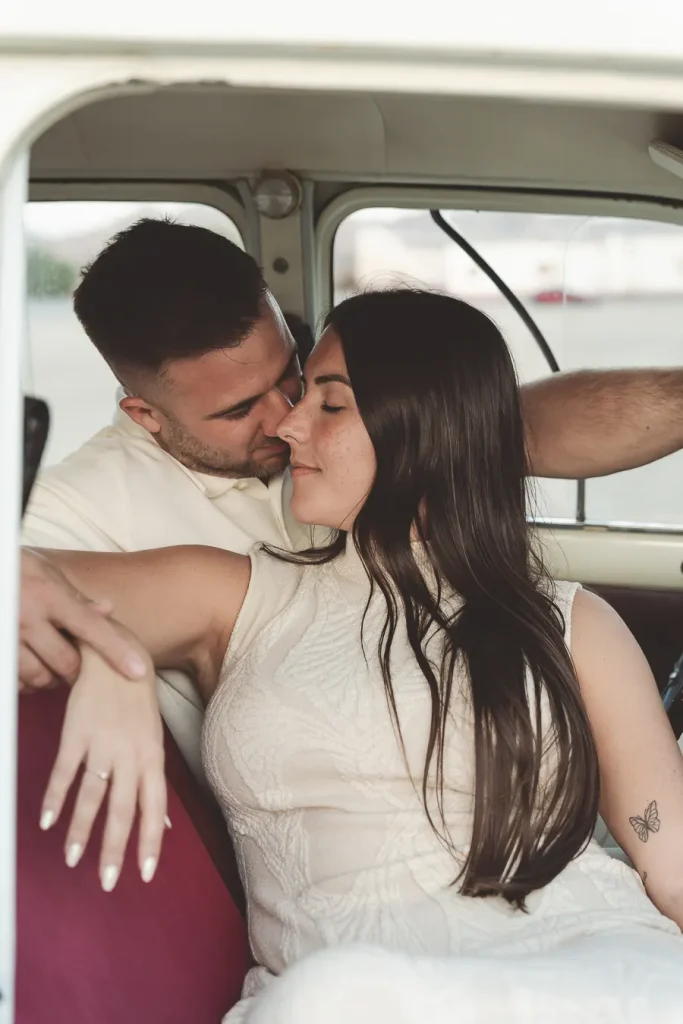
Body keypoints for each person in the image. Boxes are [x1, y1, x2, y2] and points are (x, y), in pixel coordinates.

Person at [30, 291, 683, 1022]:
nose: (287, 423)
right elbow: (22, 581)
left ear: (422, 430)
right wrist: (107, 651)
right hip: (342, 996)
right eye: (301, 393)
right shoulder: (235, 593)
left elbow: (672, 860)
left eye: (328, 405)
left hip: (587, 966)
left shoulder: (570, 620)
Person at [20, 218, 683, 779]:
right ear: (145, 414)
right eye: (240, 410)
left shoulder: (340, 429)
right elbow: (25, 596)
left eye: (293, 374)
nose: (285, 417)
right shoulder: (67, 513)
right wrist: (107, 656)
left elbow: (509, 425)